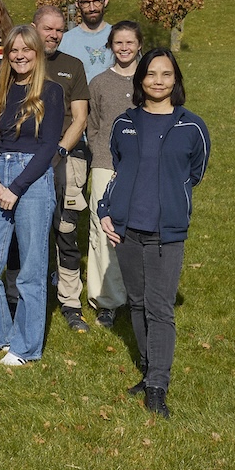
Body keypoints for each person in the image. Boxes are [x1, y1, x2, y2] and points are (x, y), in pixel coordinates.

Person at [99, 49, 210, 419]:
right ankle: (147, 370)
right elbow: (119, 168)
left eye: (165, 74)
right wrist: (106, 212)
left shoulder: (192, 127)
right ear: (140, 80)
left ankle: (158, 385)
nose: (157, 81)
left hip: (167, 232)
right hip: (127, 228)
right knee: (136, 301)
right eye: (150, 74)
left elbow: (195, 171)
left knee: (160, 308)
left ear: (175, 80)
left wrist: (172, 199)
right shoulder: (124, 123)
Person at [0, 26, 65, 367]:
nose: (20, 56)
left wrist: (17, 188)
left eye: (27, 50)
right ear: (6, 55)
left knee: (31, 270)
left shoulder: (51, 93)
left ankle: (25, 347)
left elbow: (49, 145)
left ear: (38, 54)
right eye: (13, 51)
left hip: (32, 180)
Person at [35, 4, 94, 331]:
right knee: (26, 231)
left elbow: (81, 117)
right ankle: (21, 296)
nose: (54, 35)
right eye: (48, 28)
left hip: (67, 155)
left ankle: (70, 303)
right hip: (28, 155)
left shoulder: (73, 66)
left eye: (59, 30)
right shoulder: (21, 62)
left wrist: (57, 151)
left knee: (67, 229)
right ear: (34, 27)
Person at [83, 21, 142, 327]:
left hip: (141, 167)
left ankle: (138, 294)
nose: (123, 48)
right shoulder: (100, 83)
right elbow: (92, 124)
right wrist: (99, 152)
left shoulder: (149, 81)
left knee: (138, 231)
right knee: (102, 232)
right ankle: (106, 300)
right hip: (105, 164)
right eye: (118, 43)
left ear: (138, 45)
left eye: (129, 42)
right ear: (111, 46)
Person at [59, 0, 115, 79]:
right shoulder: (65, 42)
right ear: (77, 4)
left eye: (97, 1)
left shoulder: (119, 37)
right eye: (85, 3)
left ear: (105, 0)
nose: (92, 8)